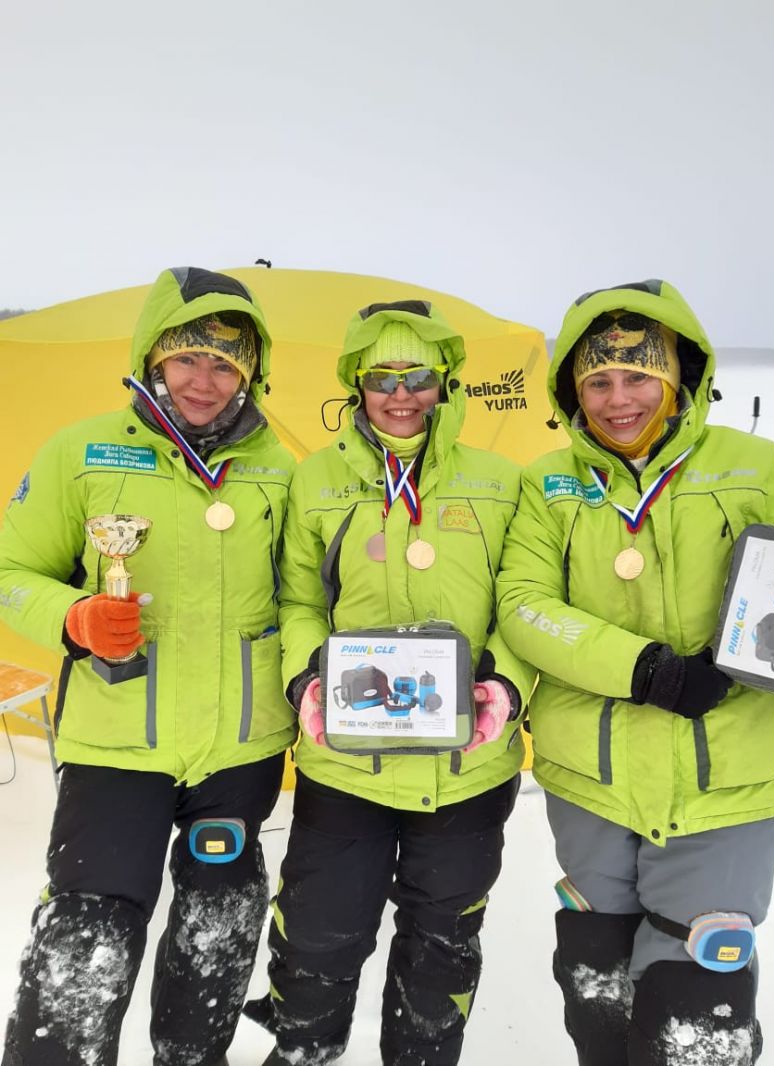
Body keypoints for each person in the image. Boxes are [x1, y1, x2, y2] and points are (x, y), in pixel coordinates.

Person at [495, 278, 774, 1066]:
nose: (619, 399)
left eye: (639, 376)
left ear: (679, 377)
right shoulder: (547, 483)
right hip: (592, 779)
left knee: (697, 1006)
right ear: (572, 390)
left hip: (726, 775)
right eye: (598, 380)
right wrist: (645, 669)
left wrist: (749, 653)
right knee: (597, 991)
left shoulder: (755, 466)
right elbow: (524, 604)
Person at [0, 266, 297, 1066]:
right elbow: (9, 572)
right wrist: (73, 618)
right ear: (152, 356)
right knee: (87, 934)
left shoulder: (281, 467)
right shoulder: (81, 450)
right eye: (187, 357)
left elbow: (308, 594)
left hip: (240, 747)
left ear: (251, 372)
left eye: (224, 364)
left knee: (219, 928)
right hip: (114, 743)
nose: (204, 380)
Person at [243, 299, 536, 1065]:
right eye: (381, 378)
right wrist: (308, 676)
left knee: (442, 946)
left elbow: (526, 605)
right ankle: (302, 1051)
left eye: (417, 377)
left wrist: (505, 687)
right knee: (318, 932)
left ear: (447, 384)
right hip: (347, 763)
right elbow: (298, 603)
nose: (400, 395)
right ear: (356, 384)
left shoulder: (504, 482)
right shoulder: (315, 480)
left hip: (468, 767)